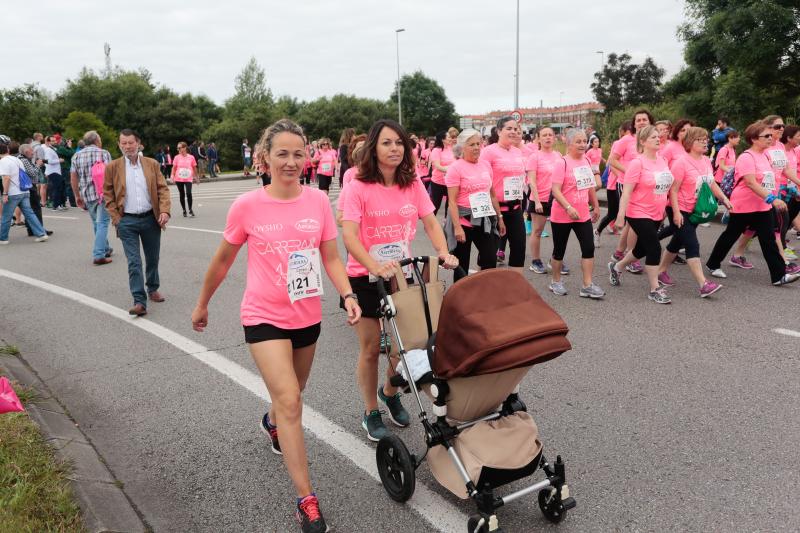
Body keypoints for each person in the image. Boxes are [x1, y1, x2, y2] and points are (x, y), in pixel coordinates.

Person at [192, 119, 359, 533]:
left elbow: (332, 258)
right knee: (290, 401)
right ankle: (307, 499)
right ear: (264, 158)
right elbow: (223, 260)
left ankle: (271, 423)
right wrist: (202, 304)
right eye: (281, 153)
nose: (290, 161)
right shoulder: (247, 206)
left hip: (307, 316)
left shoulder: (318, 202)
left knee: (294, 393)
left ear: (308, 157)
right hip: (263, 315)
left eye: (297, 154)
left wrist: (349, 294)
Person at [341, 119, 458, 442]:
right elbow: (349, 236)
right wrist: (374, 265)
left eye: (400, 143)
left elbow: (432, 223)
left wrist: (443, 252)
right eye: (387, 143)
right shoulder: (357, 187)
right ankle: (370, 412)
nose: (394, 149)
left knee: (403, 348)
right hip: (364, 276)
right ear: (374, 148)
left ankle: (390, 392)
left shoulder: (413, 183)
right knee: (369, 350)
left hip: (401, 276)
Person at [705, 121, 799, 286]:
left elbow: (781, 172)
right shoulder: (746, 157)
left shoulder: (766, 155)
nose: (771, 138)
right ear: (754, 139)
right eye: (766, 136)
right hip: (744, 205)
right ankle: (713, 263)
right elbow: (750, 183)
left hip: (762, 206)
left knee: (768, 239)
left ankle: (779, 276)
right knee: (730, 235)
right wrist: (772, 199)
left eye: (771, 135)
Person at [103, 129, 171, 316]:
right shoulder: (113, 167)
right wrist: (117, 219)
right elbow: (107, 194)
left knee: (152, 258)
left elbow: (162, 189)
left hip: (150, 219)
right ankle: (139, 301)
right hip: (127, 221)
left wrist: (164, 210)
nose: (127, 147)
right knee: (134, 262)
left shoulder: (151, 164)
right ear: (119, 145)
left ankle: (153, 288)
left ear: (138, 143)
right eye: (123, 143)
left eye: (130, 143)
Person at [656, 127, 730, 297]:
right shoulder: (681, 162)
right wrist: (675, 213)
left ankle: (659, 271)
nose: (705, 142)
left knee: (676, 242)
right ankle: (703, 284)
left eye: (705, 139)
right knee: (692, 244)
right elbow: (673, 190)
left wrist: (724, 199)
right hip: (680, 209)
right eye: (700, 139)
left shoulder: (705, 161)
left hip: (696, 210)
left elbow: (711, 183)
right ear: (689, 143)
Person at [608, 125, 674, 304]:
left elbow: (667, 187)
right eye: (652, 137)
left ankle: (618, 266)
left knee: (641, 249)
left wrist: (670, 210)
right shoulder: (637, 163)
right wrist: (621, 215)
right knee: (654, 248)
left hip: (657, 212)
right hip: (638, 212)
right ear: (643, 142)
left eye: (658, 136)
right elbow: (627, 192)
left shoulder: (663, 161)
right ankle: (655, 289)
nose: (657, 139)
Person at [548, 129, 604, 298]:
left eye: (584, 141)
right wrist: (568, 207)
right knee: (559, 250)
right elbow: (555, 190)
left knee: (588, 247)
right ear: (569, 144)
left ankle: (587, 285)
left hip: (582, 214)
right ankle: (556, 281)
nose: (582, 144)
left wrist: (595, 205)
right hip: (562, 214)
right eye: (578, 141)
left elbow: (589, 186)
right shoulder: (562, 163)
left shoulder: (586, 160)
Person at [444, 128, 505, 281]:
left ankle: (484, 294)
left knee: (490, 260)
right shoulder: (455, 168)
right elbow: (451, 201)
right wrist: (457, 227)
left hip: (484, 219)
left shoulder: (485, 165)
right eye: (472, 145)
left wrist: (500, 217)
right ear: (462, 147)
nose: (477, 147)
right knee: (461, 266)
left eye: (478, 143)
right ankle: (460, 300)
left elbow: (492, 194)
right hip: (464, 222)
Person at [607, 109, 655, 273]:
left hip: (647, 187)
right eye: (638, 120)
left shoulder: (652, 140)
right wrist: (628, 170)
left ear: (650, 122)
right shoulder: (626, 140)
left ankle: (619, 253)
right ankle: (629, 256)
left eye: (644, 119)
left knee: (631, 223)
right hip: (626, 184)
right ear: (634, 124)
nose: (641, 122)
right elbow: (611, 160)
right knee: (634, 222)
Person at [478, 117, 526, 274]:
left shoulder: (518, 152)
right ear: (499, 131)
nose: (513, 131)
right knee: (489, 254)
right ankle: (483, 287)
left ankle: (516, 290)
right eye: (509, 128)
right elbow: (482, 182)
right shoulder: (488, 152)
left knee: (519, 248)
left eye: (515, 129)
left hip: (516, 207)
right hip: (494, 209)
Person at [70, 131, 114, 265]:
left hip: (87, 194)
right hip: (103, 193)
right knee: (102, 223)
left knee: (97, 222)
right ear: (96, 140)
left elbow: (73, 177)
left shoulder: (76, 156)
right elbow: (111, 174)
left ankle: (105, 248)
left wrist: (77, 195)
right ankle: (99, 254)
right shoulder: (103, 153)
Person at [525, 126, 562, 274]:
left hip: (557, 199)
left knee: (559, 231)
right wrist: (538, 201)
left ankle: (555, 260)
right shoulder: (535, 156)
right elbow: (531, 180)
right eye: (544, 135)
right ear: (538, 138)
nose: (547, 137)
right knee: (537, 231)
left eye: (550, 135)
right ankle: (535, 261)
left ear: (554, 138)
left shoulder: (558, 155)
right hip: (539, 199)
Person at [0, 142, 48, 244]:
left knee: (6, 216)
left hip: (13, 193)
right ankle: (41, 233)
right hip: (24, 191)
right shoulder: (17, 160)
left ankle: (3, 238)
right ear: (7, 150)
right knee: (30, 214)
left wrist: (5, 193)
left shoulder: (3, 161)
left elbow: (6, 178)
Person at [595, 122, 632, 244]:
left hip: (629, 183)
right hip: (615, 184)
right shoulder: (619, 142)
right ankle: (597, 231)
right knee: (612, 213)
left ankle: (628, 242)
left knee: (629, 213)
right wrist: (623, 175)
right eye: (630, 130)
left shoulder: (638, 142)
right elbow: (610, 163)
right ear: (623, 131)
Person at [17, 143, 52, 237]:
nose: (33, 153)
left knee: (30, 210)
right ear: (26, 151)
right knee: (35, 209)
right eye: (32, 150)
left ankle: (33, 229)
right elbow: (32, 173)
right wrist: (38, 165)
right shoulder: (24, 160)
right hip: (29, 187)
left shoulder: (23, 159)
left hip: (28, 186)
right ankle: (38, 229)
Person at [429, 130, 456, 214]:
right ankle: (430, 225)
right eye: (448, 137)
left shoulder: (451, 149)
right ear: (442, 139)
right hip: (438, 182)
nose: (450, 139)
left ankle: (446, 223)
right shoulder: (436, 150)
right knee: (436, 204)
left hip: (450, 182)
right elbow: (438, 166)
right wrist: (452, 170)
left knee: (450, 204)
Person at [171, 141, 199, 217]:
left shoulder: (191, 157)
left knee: (189, 193)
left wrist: (196, 177)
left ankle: (190, 209)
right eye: (178, 148)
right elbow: (174, 168)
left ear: (185, 148)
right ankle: (184, 210)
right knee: (182, 194)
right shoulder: (176, 157)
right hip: (179, 179)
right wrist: (172, 176)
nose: (178, 149)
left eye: (179, 148)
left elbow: (194, 167)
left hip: (188, 178)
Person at [41, 135, 67, 211]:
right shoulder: (48, 150)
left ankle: (60, 204)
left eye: (55, 140)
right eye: (52, 141)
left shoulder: (54, 149)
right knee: (57, 188)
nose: (55, 142)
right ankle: (55, 205)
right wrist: (59, 160)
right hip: (52, 171)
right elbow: (48, 161)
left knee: (60, 187)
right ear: (48, 142)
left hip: (56, 171)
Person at [57, 138, 77, 207]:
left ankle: (66, 201)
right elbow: (72, 153)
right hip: (65, 168)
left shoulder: (64, 148)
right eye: (67, 142)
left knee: (67, 185)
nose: (68, 143)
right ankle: (72, 203)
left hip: (66, 168)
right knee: (69, 185)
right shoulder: (61, 149)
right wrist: (69, 146)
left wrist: (69, 147)